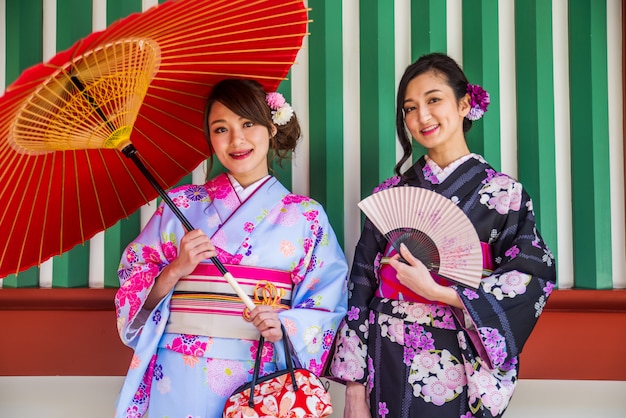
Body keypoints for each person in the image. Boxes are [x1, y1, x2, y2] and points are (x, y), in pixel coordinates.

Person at [329, 52, 557, 418]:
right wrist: (355, 390)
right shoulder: (389, 195)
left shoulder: (504, 195)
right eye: (409, 108)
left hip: (458, 358)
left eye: (434, 100)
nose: (421, 116)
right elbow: (360, 287)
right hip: (387, 354)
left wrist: (441, 293)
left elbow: (531, 277)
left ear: (465, 103)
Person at [114, 78, 348, 417]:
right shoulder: (180, 205)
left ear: (271, 127)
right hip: (180, 370)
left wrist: (286, 325)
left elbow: (328, 299)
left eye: (248, 123)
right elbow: (133, 277)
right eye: (221, 129)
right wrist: (175, 269)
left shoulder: (306, 216)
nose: (236, 139)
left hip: (261, 374)